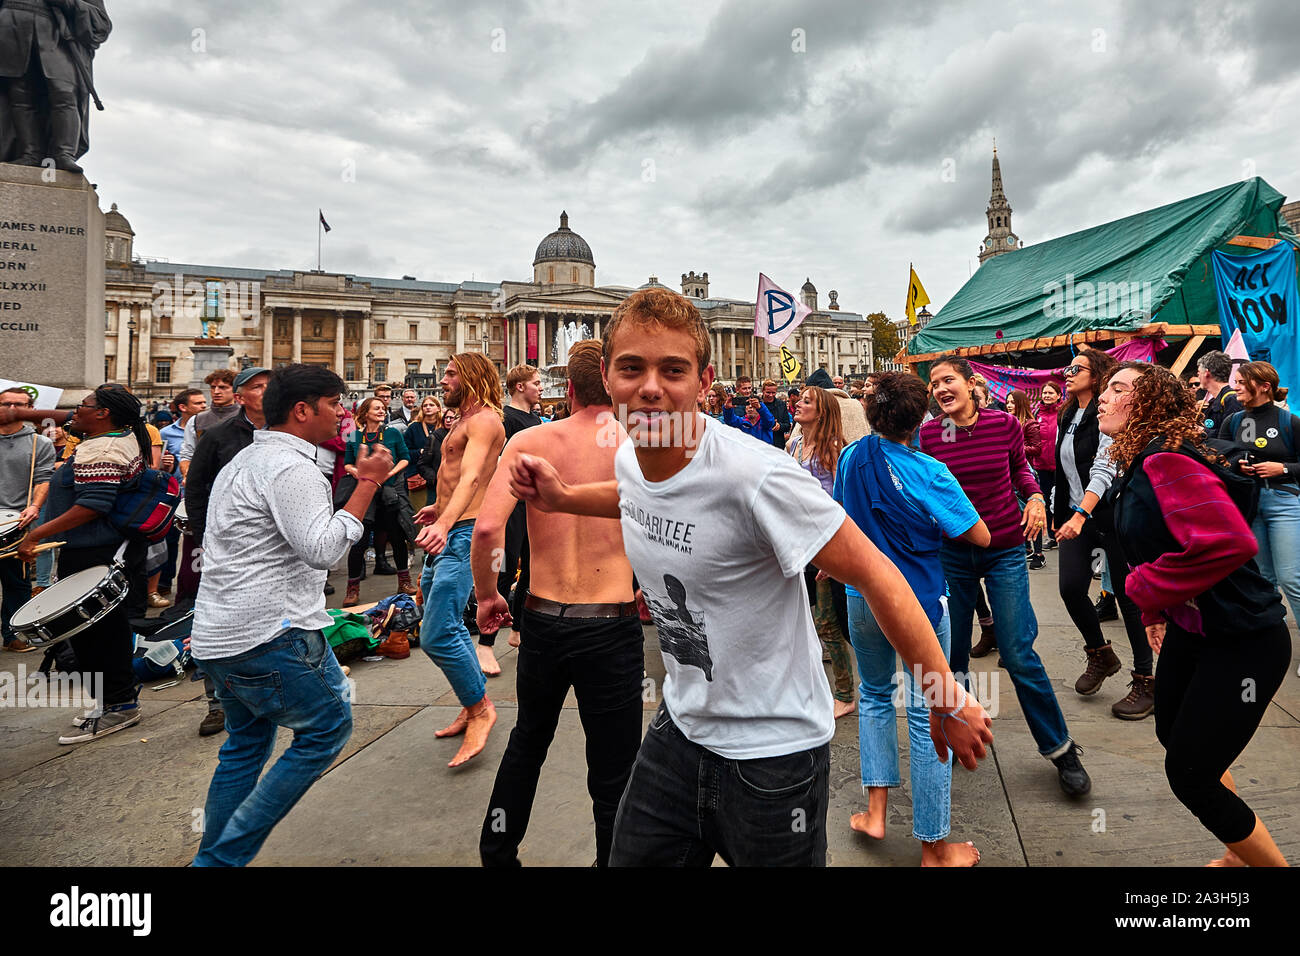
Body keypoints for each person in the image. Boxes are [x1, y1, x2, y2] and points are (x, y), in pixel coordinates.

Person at [509, 288, 992, 866]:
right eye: (632, 368)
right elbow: (633, 494)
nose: (651, 387)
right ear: (607, 379)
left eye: (673, 369)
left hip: (773, 753)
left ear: (703, 382)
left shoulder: (756, 476)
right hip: (681, 729)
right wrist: (563, 497)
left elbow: (876, 573)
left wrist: (943, 695)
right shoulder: (630, 454)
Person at [190, 364, 394, 866]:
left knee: (243, 747)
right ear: (302, 410)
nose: (343, 412)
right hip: (271, 633)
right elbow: (321, 550)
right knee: (327, 727)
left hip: (220, 635)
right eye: (334, 403)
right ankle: (215, 862)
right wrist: (367, 484)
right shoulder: (291, 466)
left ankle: (216, 859)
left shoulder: (245, 460)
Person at [1099, 362, 1291, 866]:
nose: (1103, 397)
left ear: (1148, 403)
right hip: (1197, 629)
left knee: (1190, 775)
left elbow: (1228, 542)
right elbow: (1159, 540)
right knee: (1172, 731)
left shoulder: (1165, 459)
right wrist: (1156, 611)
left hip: (1244, 635)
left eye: (1117, 389)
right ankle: (1238, 845)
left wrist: (1142, 590)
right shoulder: (1142, 457)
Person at [472, 341, 642, 867]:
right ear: (614, 385)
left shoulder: (530, 439)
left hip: (544, 616)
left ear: (566, 388)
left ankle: (498, 853)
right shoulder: (637, 445)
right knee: (614, 766)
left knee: (528, 740)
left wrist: (487, 595)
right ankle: (608, 860)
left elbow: (486, 529)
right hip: (611, 619)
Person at [921, 354, 1091, 795]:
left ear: (969, 382)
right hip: (951, 556)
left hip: (1005, 550)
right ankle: (961, 733)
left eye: (948, 380)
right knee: (953, 656)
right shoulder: (927, 436)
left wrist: (1034, 498)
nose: (941, 389)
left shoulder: (1005, 426)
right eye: (934, 384)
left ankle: (1060, 749)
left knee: (1017, 652)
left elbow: (1021, 470)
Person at [838, 372, 989, 865]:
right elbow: (978, 535)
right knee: (930, 716)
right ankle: (933, 846)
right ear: (921, 417)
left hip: (861, 597)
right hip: (919, 602)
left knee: (875, 696)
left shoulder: (851, 457)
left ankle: (876, 811)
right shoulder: (930, 471)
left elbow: (841, 518)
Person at [12, 385, 148, 743]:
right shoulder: (120, 434)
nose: (74, 412)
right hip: (102, 549)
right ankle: (116, 699)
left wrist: (36, 534)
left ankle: (119, 706)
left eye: (83, 406)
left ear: (103, 414)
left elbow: (93, 504)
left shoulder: (102, 448)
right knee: (105, 631)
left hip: (94, 551)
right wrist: (21, 413)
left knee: (95, 635)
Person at [413, 352, 505, 767]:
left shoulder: (485, 420)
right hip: (450, 528)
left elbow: (472, 477)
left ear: (470, 377)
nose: (443, 379)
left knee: (436, 634)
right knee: (442, 627)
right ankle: (473, 704)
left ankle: (482, 709)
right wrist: (437, 507)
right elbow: (454, 478)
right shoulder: (463, 422)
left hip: (463, 535)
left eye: (450, 373)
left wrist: (445, 524)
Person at [1053, 349, 1154, 719]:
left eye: (1075, 368)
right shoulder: (1068, 414)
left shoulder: (1109, 412)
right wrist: (1059, 509)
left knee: (1128, 597)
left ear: (1095, 376)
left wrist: (1083, 512)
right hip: (1075, 515)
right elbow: (1063, 467)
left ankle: (1146, 678)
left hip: (1108, 515)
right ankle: (1100, 654)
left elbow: (1104, 467)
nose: (1066, 373)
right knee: (1070, 587)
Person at [786, 385, 854, 720]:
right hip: (798, 543)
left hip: (826, 544)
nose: (799, 403)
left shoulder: (835, 448)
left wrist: (834, 554)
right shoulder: (795, 443)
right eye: (800, 400)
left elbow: (842, 502)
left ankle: (845, 693)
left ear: (822, 411)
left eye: (807, 401)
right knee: (801, 620)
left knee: (827, 622)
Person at [1219, 361, 1300, 625]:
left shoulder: (1290, 421)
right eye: (1236, 382)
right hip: (1247, 506)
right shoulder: (1233, 421)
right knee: (1263, 580)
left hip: (1285, 504)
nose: (1236, 387)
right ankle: (1271, 647)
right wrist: (1235, 464)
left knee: (1292, 579)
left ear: (1265, 386)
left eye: (1243, 382)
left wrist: (1283, 468)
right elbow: (1218, 459)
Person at [343, 397, 414, 604]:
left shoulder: (392, 432)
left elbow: (405, 457)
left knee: (397, 535)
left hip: (388, 490)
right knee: (360, 540)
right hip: (365, 494)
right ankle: (352, 589)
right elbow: (347, 463)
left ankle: (404, 581)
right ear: (365, 413)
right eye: (377, 408)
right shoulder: (354, 436)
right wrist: (360, 474)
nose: (382, 411)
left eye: (383, 408)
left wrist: (388, 472)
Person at [0, 387, 55, 653]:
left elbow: (43, 478)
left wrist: (34, 506)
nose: (12, 409)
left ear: (30, 409)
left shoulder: (39, 443)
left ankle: (12, 635)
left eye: (19, 405)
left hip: (16, 524)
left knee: (17, 583)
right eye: (6, 404)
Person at [1005, 390, 1045, 569]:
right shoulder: (1006, 422)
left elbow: (1037, 448)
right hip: (1009, 474)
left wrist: (1015, 448)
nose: (1009, 405)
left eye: (1013, 402)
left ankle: (1039, 553)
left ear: (1021, 403)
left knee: (1031, 513)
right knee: (1018, 515)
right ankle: (1025, 548)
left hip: (1026, 473)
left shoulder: (1030, 424)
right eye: (1007, 402)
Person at [180, 369, 239, 480]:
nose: (216, 391)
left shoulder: (247, 417)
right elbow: (187, 454)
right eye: (213, 387)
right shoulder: (196, 420)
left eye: (223, 387)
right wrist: (187, 474)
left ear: (235, 390)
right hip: (205, 482)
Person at [1032, 381, 1061, 551]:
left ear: (1058, 395)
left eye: (1051, 393)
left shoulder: (1064, 412)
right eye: (1045, 393)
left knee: (1060, 500)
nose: (1047, 396)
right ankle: (1052, 537)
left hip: (1060, 466)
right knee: (1047, 500)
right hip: (1041, 466)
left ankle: (1062, 531)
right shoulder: (1036, 413)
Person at [402, 396, 440, 512]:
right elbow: (404, 452)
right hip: (418, 476)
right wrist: (420, 452)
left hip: (441, 476)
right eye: (425, 405)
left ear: (438, 408)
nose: (428, 408)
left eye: (431, 405)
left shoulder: (444, 426)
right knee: (419, 511)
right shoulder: (414, 427)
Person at [1197, 350, 1242, 439]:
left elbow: (1233, 435)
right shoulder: (1213, 401)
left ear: (1206, 373)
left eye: (1199, 373)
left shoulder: (1232, 400)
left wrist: (1202, 431)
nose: (1198, 377)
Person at [761, 378, 793, 448]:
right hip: (761, 442)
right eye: (768, 392)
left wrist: (779, 426)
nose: (771, 395)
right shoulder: (758, 404)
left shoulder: (781, 404)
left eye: (773, 393)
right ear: (763, 391)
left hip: (777, 443)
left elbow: (787, 425)